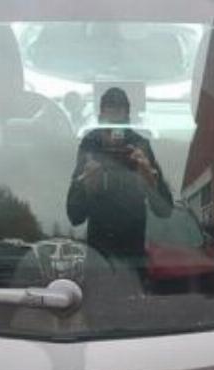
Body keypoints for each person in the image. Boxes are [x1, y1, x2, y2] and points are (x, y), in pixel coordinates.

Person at [66, 88, 173, 287]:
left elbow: (165, 210)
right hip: (98, 264)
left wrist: (150, 180)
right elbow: (74, 216)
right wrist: (87, 188)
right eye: (109, 127)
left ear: (128, 122)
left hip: (135, 264)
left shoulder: (140, 146)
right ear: (100, 120)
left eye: (120, 127)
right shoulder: (90, 146)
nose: (115, 137)